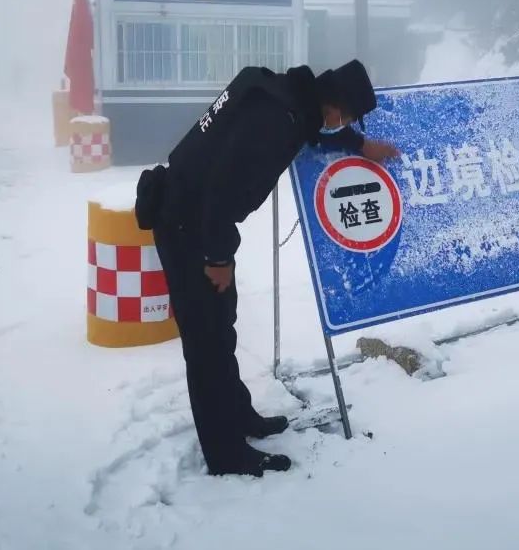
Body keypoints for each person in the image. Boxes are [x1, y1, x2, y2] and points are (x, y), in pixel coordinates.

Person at [134, 59, 400, 477]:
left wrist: (359, 143)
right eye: (347, 117)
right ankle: (226, 455)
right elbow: (220, 191)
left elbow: (314, 129)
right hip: (188, 224)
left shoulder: (289, 98)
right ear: (335, 106)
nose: (341, 123)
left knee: (222, 326)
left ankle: (239, 416)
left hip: (199, 219)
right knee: (205, 345)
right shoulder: (276, 120)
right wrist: (218, 259)